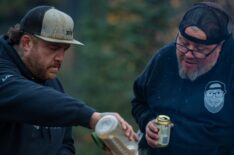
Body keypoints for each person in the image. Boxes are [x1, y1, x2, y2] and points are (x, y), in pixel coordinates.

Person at [0, 5, 137, 155]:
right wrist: (92, 117)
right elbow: (26, 96)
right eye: (53, 48)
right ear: (27, 43)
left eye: (65, 49)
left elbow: (64, 144)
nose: (60, 58)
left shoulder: (52, 83)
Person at [131, 2, 234, 155]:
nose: (188, 54)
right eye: (184, 44)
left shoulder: (230, 65)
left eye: (199, 50)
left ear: (220, 47)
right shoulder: (164, 58)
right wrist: (147, 122)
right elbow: (139, 102)